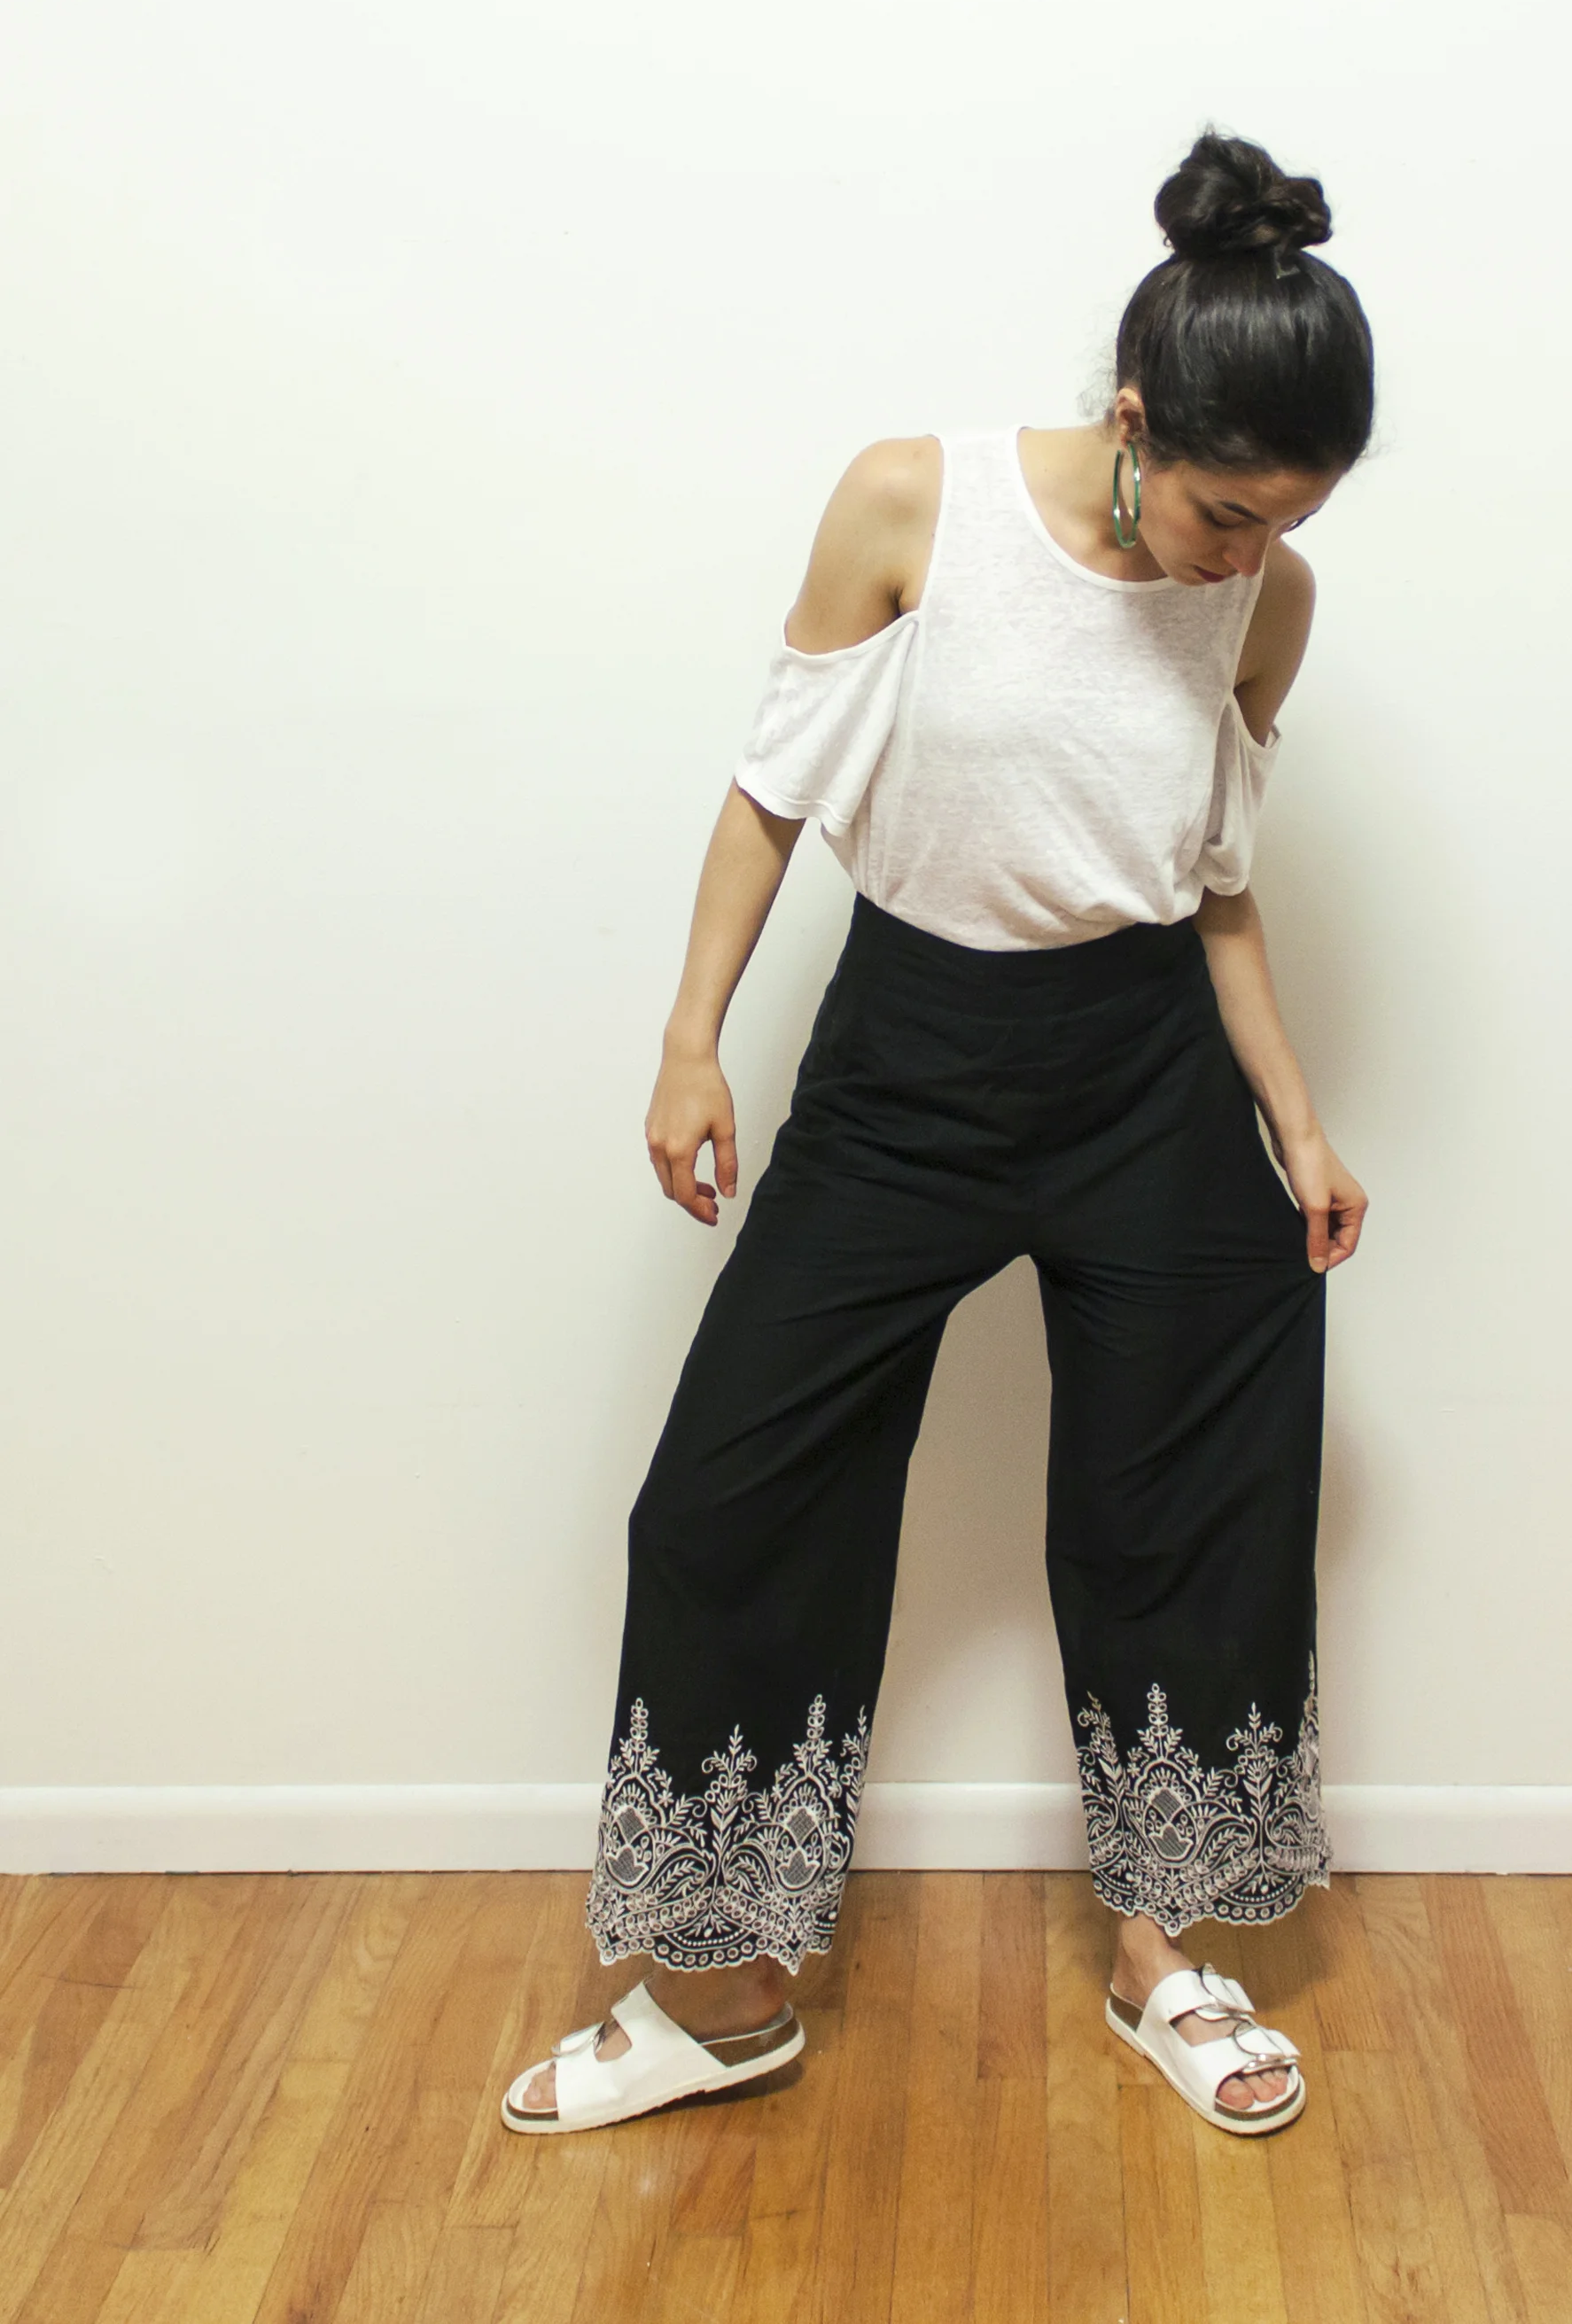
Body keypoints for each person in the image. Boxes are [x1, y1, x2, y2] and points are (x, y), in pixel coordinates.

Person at [502, 127, 1374, 2141]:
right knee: (727, 1499)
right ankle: (718, 1997)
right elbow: (772, 793)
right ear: (1137, 422)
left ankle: (1168, 1954)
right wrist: (692, 1041)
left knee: (1197, 1494)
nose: (1245, 557)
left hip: (1146, 1067)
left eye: (1287, 524)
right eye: (1226, 509)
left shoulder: (1267, 602)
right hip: (909, 1061)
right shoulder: (917, 500)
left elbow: (1215, 882)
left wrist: (1298, 1121)